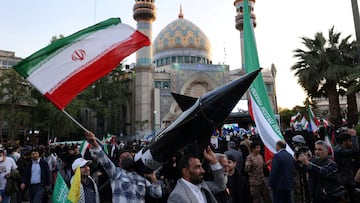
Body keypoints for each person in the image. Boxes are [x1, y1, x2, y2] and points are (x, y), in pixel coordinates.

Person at [85, 131, 162, 203]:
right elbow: (104, 159)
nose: (126, 157)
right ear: (119, 164)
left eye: (128, 155)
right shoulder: (116, 173)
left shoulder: (141, 178)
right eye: (122, 157)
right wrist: (94, 142)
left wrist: (153, 177)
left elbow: (157, 194)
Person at [333, 132, 359, 202]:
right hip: (345, 180)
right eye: (350, 141)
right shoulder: (339, 150)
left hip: (345, 178)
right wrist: (354, 137)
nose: (351, 143)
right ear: (344, 142)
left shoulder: (340, 148)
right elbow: (356, 150)